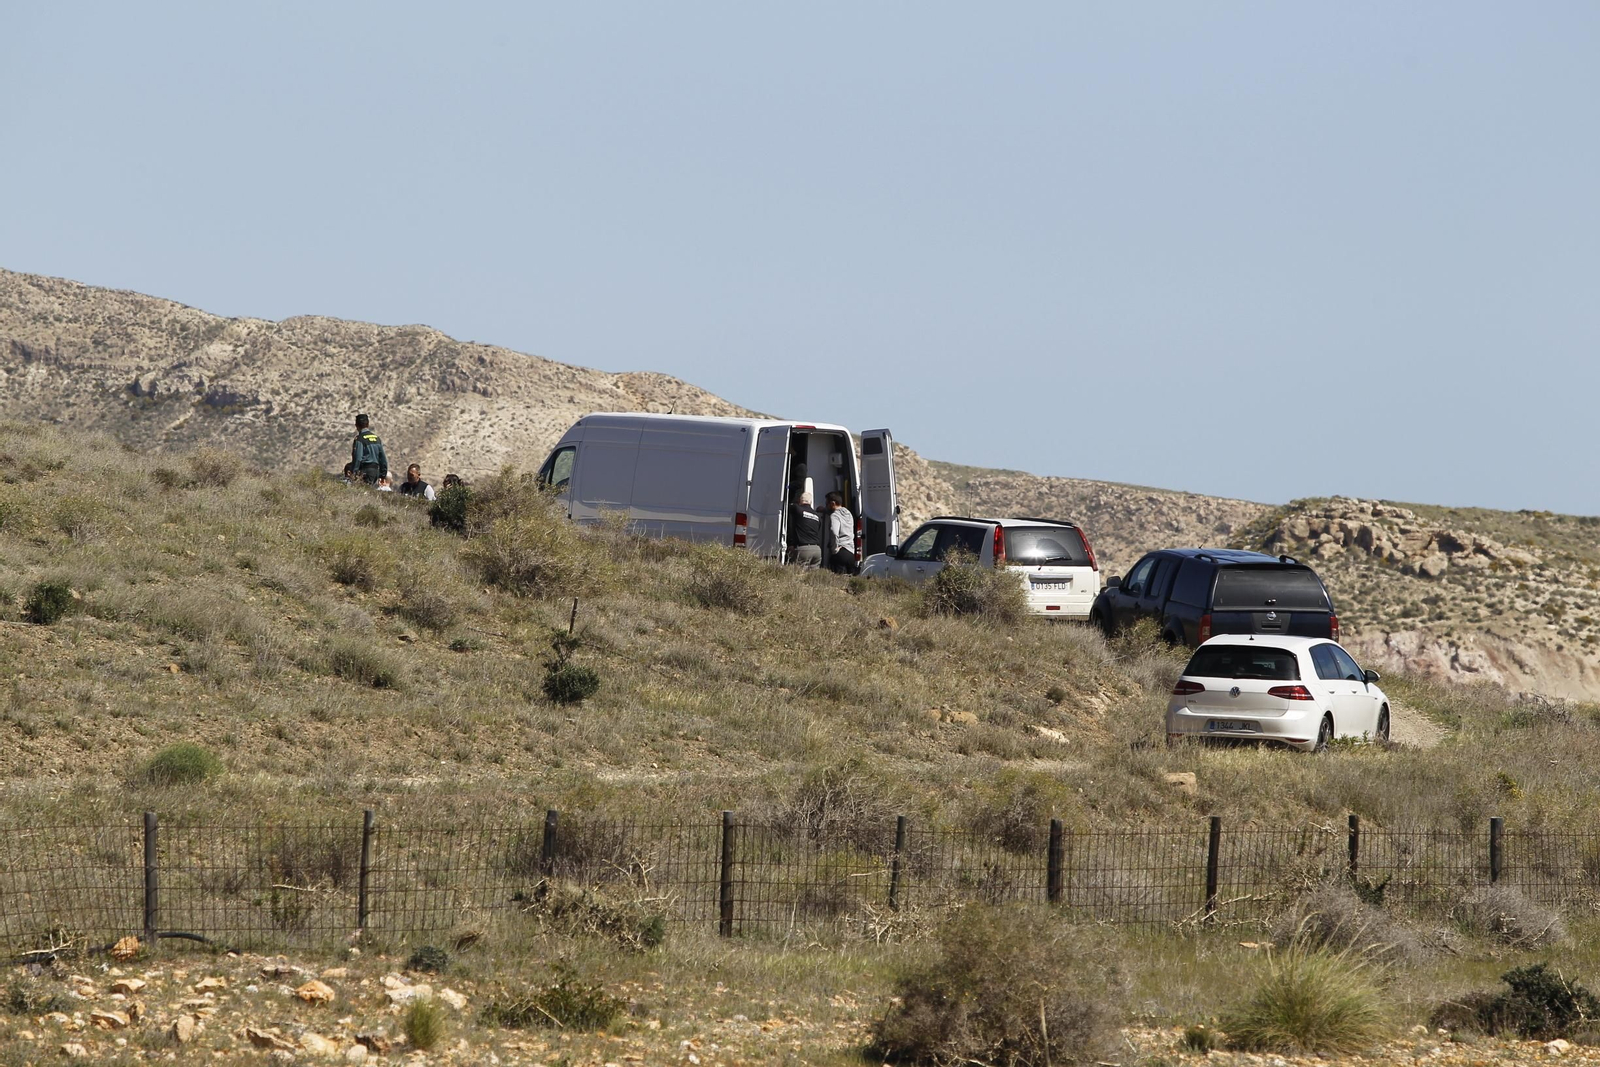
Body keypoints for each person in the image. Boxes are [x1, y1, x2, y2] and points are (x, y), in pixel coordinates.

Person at [788, 491, 822, 568]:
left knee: (800, 576)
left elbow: (787, 505)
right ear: (810, 502)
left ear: (800, 500)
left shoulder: (797, 509)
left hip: (803, 549)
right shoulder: (817, 515)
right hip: (817, 550)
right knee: (813, 577)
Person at [825, 491, 858, 575]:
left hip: (840, 551)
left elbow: (834, 532)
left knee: (838, 581)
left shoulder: (835, 515)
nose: (826, 506)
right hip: (850, 553)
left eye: (827, 503)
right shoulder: (848, 513)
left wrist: (834, 549)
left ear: (832, 503)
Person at [351, 414, 388, 485]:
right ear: (368, 424)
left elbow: (358, 457)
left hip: (365, 471)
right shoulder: (377, 439)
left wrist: (354, 472)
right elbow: (382, 457)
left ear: (356, 425)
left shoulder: (360, 439)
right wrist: (383, 474)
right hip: (375, 471)